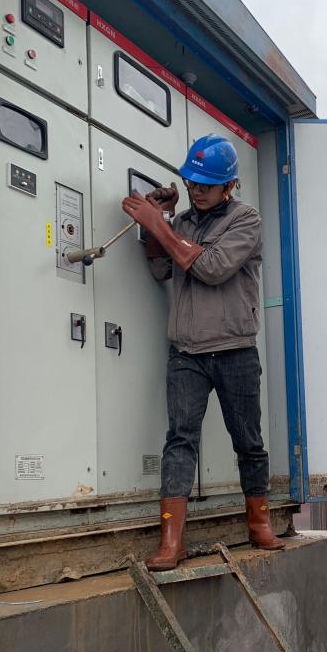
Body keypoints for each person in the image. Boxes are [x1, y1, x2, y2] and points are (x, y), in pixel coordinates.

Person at [121, 134, 284, 571]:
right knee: (180, 441)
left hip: (235, 350)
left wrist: (159, 224)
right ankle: (171, 542)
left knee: (248, 441)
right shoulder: (183, 222)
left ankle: (259, 524)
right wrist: (159, 223)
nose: (196, 190)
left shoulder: (246, 220)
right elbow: (161, 268)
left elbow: (211, 268)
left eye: (206, 185)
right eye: (191, 182)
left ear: (229, 186)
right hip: (187, 352)